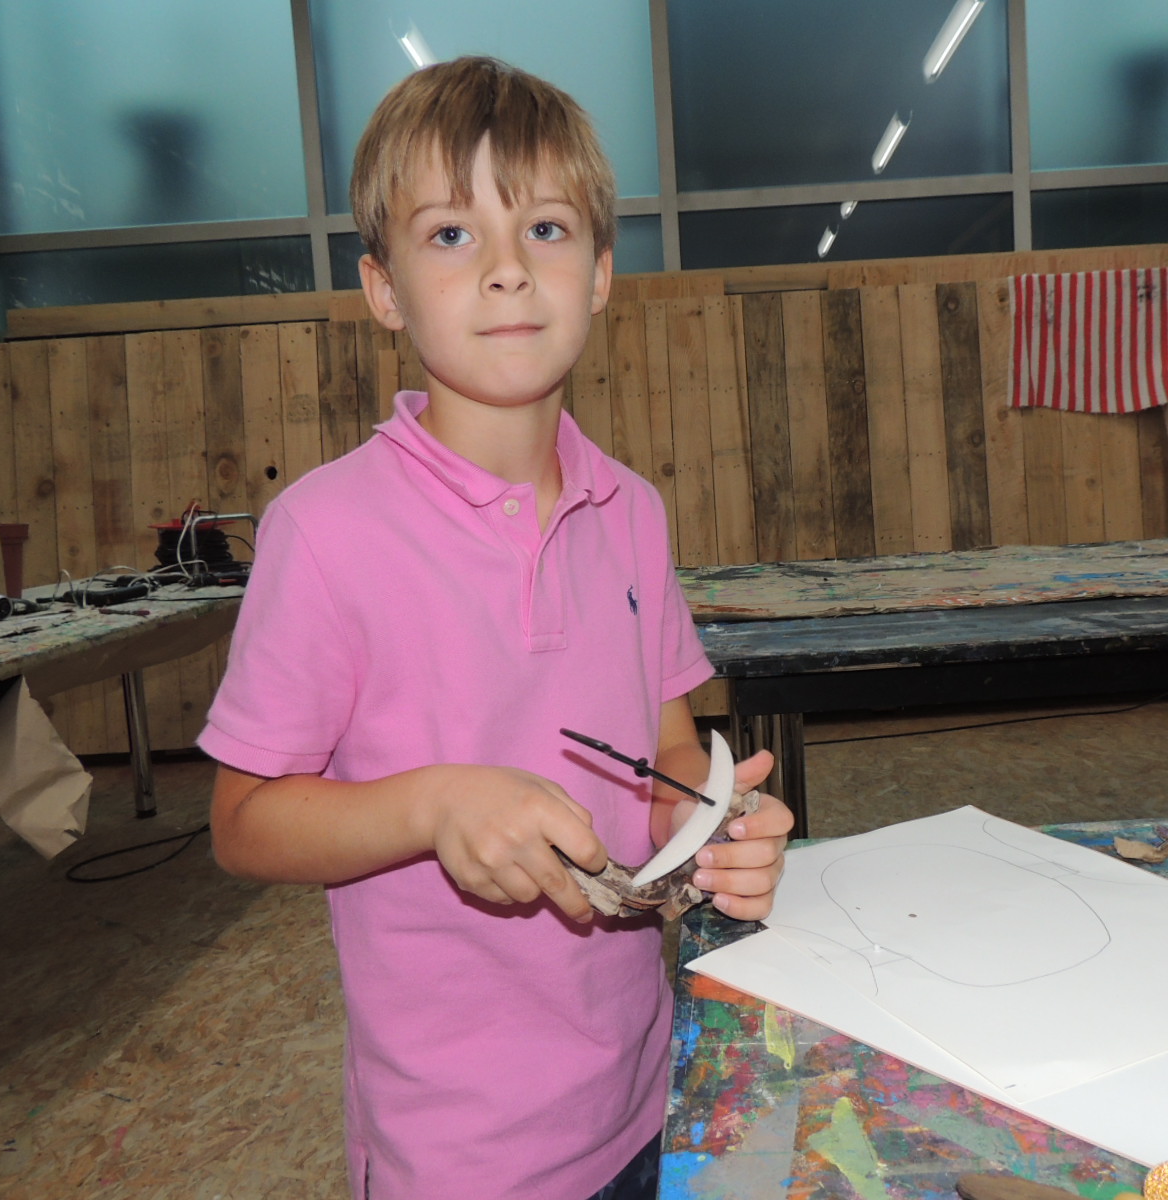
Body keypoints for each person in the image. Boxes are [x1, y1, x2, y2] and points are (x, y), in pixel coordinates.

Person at [197, 56, 792, 1200]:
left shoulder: (633, 510)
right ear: (383, 289)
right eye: (452, 234)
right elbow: (243, 822)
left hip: (644, 1091)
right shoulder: (323, 531)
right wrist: (433, 805)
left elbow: (665, 752)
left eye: (547, 229)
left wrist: (712, 826)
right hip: (457, 1156)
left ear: (602, 273)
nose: (508, 268)